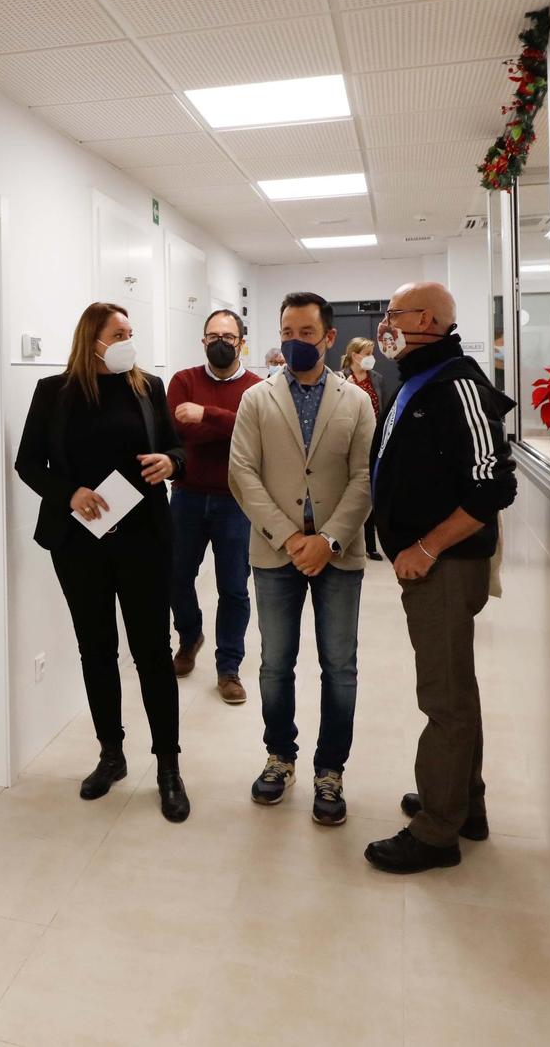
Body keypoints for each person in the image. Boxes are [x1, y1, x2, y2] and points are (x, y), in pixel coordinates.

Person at [15, 303, 191, 823]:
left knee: (152, 653)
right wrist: (69, 493)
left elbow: (176, 448)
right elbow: (28, 462)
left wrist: (171, 462)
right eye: (119, 333)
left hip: (144, 540)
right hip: (79, 543)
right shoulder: (55, 392)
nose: (127, 340)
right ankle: (111, 755)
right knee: (97, 650)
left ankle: (167, 768)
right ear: (92, 338)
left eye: (131, 332)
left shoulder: (147, 388)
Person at [363, 282, 518, 874]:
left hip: (446, 567)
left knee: (444, 700)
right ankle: (461, 802)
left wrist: (425, 547)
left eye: (393, 313)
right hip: (430, 565)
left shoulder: (459, 384)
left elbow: (493, 487)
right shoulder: (419, 377)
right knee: (457, 689)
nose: (385, 324)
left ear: (427, 319)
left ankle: (435, 831)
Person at [227, 292, 374, 827]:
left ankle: (330, 770)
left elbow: (363, 479)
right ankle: (279, 756)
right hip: (274, 551)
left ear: (329, 338)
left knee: (339, 667)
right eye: (287, 331)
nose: (295, 342)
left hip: (338, 552)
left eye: (306, 333)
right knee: (273, 665)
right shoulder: (256, 400)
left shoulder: (356, 401)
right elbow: (242, 472)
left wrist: (328, 540)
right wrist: (291, 538)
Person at [165, 309, 263, 703]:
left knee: (234, 589)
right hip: (186, 496)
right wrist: (229, 426)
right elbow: (176, 429)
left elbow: (255, 432)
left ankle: (229, 668)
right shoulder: (183, 381)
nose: (220, 342)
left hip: (236, 501)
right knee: (176, 577)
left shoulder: (258, 388)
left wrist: (206, 414)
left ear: (242, 341)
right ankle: (189, 637)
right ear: (202, 341)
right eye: (212, 336)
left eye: (228, 335)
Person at [340, 338, 385, 561]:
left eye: (371, 352)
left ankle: (371, 545)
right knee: (351, 491)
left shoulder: (377, 379)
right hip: (348, 443)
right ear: (354, 355)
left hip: (374, 442)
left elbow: (382, 409)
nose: (370, 357)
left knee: (370, 490)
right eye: (366, 353)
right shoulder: (340, 378)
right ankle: (346, 537)